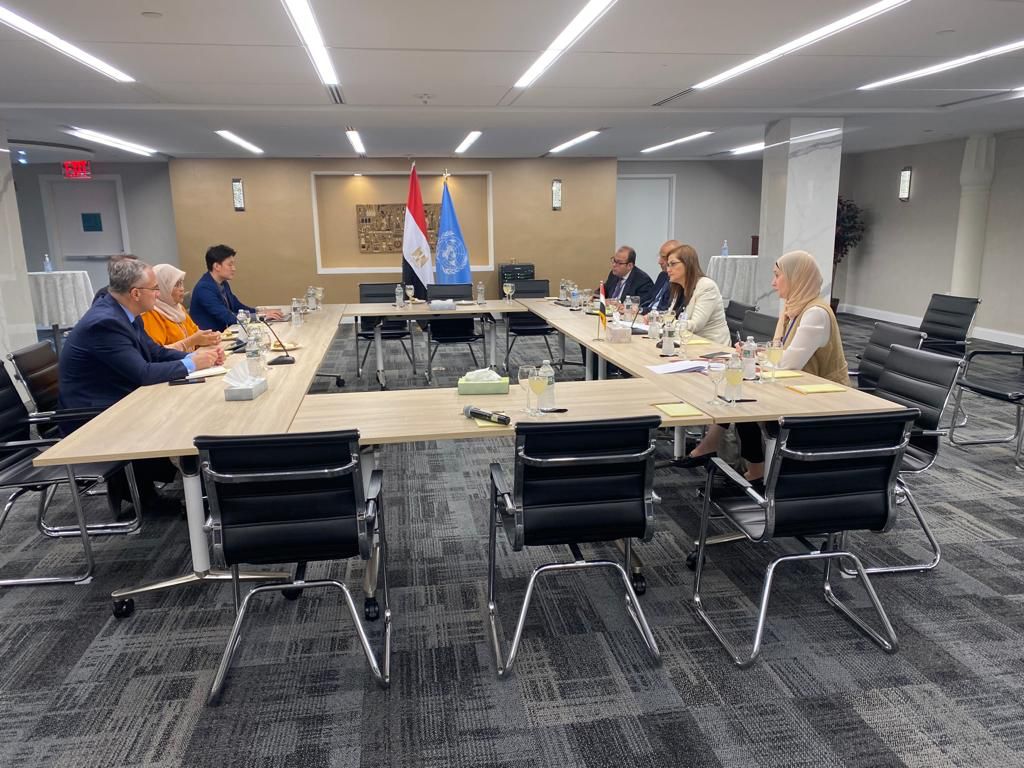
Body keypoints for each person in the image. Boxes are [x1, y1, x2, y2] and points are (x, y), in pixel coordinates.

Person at [60, 259, 224, 514]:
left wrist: (196, 357)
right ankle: (196, 493)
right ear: (136, 293)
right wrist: (192, 364)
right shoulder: (105, 322)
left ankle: (203, 489)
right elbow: (143, 373)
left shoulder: (126, 314)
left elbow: (155, 353)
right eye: (155, 289)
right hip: (93, 415)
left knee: (187, 407)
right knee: (183, 416)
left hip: (118, 398)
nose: (158, 294)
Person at [680, 250, 850, 481]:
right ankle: (751, 467)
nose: (773, 282)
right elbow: (779, 353)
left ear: (796, 278)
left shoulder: (815, 314)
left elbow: (789, 362)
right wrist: (756, 352)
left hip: (823, 397)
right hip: (796, 386)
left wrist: (756, 355)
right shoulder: (793, 309)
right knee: (736, 395)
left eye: (778, 275)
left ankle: (754, 469)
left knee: (743, 401)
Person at [189, 244, 283, 332]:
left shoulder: (223, 283)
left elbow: (237, 306)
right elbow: (227, 316)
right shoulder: (204, 288)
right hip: (210, 339)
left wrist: (261, 312)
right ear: (217, 266)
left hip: (223, 334)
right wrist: (260, 317)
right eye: (230, 265)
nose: (234, 268)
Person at [142, 264, 222, 352]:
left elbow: (195, 333)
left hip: (193, 357)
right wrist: (191, 342)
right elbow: (157, 353)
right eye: (176, 285)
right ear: (162, 288)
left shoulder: (178, 308)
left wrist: (210, 337)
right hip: (177, 360)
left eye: (181, 283)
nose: (182, 289)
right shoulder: (151, 314)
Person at [662, 244, 731, 346]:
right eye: (668, 265)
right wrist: (662, 319)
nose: (668, 269)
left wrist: (665, 321)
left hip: (712, 346)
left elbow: (696, 325)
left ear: (687, 264)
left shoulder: (706, 286)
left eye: (673, 264)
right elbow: (670, 316)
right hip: (686, 342)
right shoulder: (678, 288)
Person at [643, 240, 678, 313]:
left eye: (664, 257)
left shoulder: (678, 281)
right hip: (647, 314)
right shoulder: (662, 275)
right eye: (660, 256)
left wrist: (642, 311)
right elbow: (649, 299)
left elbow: (665, 309)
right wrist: (635, 307)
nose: (659, 262)